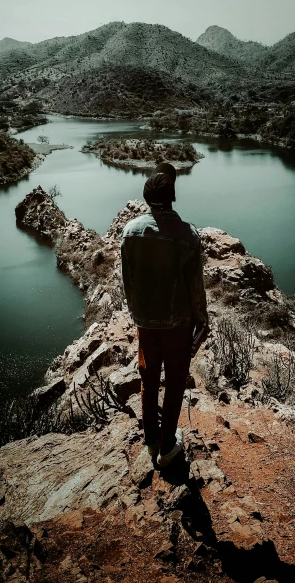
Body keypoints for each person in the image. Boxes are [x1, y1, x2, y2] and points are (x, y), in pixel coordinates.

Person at [120, 162, 209, 467]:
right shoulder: (187, 235)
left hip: (145, 322)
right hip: (177, 324)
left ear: (146, 198)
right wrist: (202, 321)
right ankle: (168, 447)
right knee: (173, 382)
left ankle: (150, 437)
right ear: (172, 198)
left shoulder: (129, 232)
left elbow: (127, 280)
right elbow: (196, 287)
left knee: (148, 378)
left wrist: (137, 313)